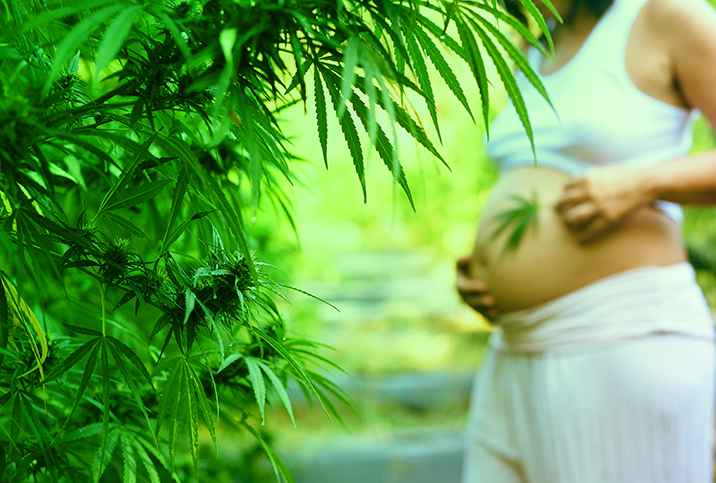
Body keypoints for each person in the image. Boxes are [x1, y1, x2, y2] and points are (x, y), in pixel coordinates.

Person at [456, 0, 716, 481]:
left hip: (623, 336)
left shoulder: (666, 15)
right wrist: (487, 270)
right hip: (516, 349)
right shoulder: (534, 41)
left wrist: (644, 183)